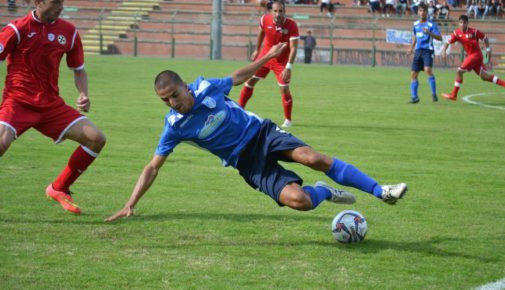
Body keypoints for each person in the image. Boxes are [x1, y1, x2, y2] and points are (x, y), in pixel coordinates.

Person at [105, 43, 408, 223]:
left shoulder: (206, 87)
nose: (173, 103)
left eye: (174, 95)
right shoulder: (175, 126)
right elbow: (152, 166)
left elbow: (235, 77)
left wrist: (268, 57)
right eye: (166, 100)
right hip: (246, 162)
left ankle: (381, 191)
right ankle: (325, 192)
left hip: (261, 133)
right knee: (299, 201)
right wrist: (131, 203)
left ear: (185, 86)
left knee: (311, 157)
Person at [0, 0, 106, 214]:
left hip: (50, 106)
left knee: (96, 139)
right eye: (55, 2)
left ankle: (59, 188)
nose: (60, 7)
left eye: (62, 2)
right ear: (38, 2)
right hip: (18, 102)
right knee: (1, 143)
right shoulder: (16, 29)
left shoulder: (69, 32)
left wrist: (83, 93)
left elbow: (78, 69)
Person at [237, 1, 299, 128]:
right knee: (249, 81)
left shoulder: (291, 25)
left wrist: (288, 67)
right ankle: (239, 110)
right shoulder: (264, 19)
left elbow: (293, 48)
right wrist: (257, 49)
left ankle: (288, 120)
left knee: (284, 89)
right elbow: (261, 32)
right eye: (275, 11)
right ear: (271, 12)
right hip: (265, 57)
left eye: (281, 11)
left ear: (284, 12)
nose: (278, 14)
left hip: (281, 61)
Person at [440, 15, 505, 101]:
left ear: (467, 23)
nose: (462, 24)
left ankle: (454, 94)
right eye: (461, 22)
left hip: (476, 55)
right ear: (459, 23)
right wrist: (444, 50)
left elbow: (485, 38)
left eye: (464, 23)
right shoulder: (457, 33)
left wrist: (488, 50)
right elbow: (447, 42)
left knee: (459, 71)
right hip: (473, 57)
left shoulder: (474, 32)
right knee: (484, 77)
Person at [406, 4, 442, 103]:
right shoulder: (415, 24)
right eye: (420, 11)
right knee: (413, 74)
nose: (422, 13)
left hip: (427, 50)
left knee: (427, 69)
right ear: (418, 12)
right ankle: (415, 97)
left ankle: (434, 94)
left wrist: (429, 33)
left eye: (424, 11)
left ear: (427, 12)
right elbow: (415, 36)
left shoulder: (431, 25)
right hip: (418, 51)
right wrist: (411, 48)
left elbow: (440, 38)